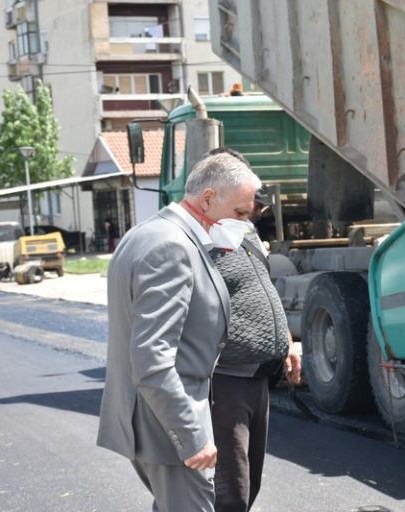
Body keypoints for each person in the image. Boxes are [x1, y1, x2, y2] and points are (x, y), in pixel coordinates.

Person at [97, 152, 260, 512]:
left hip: (152, 424)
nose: (245, 225)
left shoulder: (146, 233)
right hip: (167, 431)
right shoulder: (172, 247)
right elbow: (151, 360)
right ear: (207, 199)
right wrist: (190, 436)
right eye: (240, 214)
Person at [209, 154, 301, 512]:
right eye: (245, 210)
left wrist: (288, 343)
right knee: (228, 494)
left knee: (248, 486)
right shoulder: (193, 241)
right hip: (224, 380)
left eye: (255, 210)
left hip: (256, 378)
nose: (252, 218)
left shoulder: (244, 233)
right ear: (213, 197)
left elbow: (262, 290)